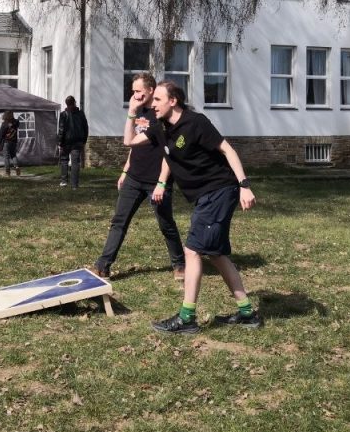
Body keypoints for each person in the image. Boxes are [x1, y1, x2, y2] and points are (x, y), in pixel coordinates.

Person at [124, 81, 260, 334]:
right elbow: (130, 141)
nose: (153, 104)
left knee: (192, 251)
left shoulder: (196, 123)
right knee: (217, 254)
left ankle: (187, 318)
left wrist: (244, 185)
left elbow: (227, 150)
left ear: (173, 101)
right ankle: (247, 312)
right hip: (204, 196)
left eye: (158, 100)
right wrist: (132, 113)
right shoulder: (160, 127)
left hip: (219, 190)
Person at [91, 73, 185, 280]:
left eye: (138, 91)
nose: (135, 95)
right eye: (133, 91)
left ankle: (179, 264)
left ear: (151, 90)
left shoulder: (161, 113)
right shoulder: (138, 110)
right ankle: (103, 266)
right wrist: (125, 171)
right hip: (134, 178)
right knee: (119, 221)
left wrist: (162, 183)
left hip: (156, 181)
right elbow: (131, 143)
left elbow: (169, 154)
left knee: (166, 224)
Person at [57, 95, 88, 189]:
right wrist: (84, 140)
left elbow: (61, 129)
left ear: (66, 104)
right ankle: (74, 185)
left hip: (66, 142)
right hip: (78, 142)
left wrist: (60, 142)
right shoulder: (81, 114)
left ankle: (64, 181)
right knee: (75, 163)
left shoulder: (63, 114)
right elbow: (85, 128)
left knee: (64, 160)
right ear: (74, 102)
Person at [0, 110, 21, 176]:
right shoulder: (16, 122)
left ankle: (7, 172)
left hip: (6, 142)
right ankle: (16, 167)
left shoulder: (4, 124)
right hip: (14, 142)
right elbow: (16, 124)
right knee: (13, 155)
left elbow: (1, 135)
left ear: (5, 116)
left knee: (6, 157)